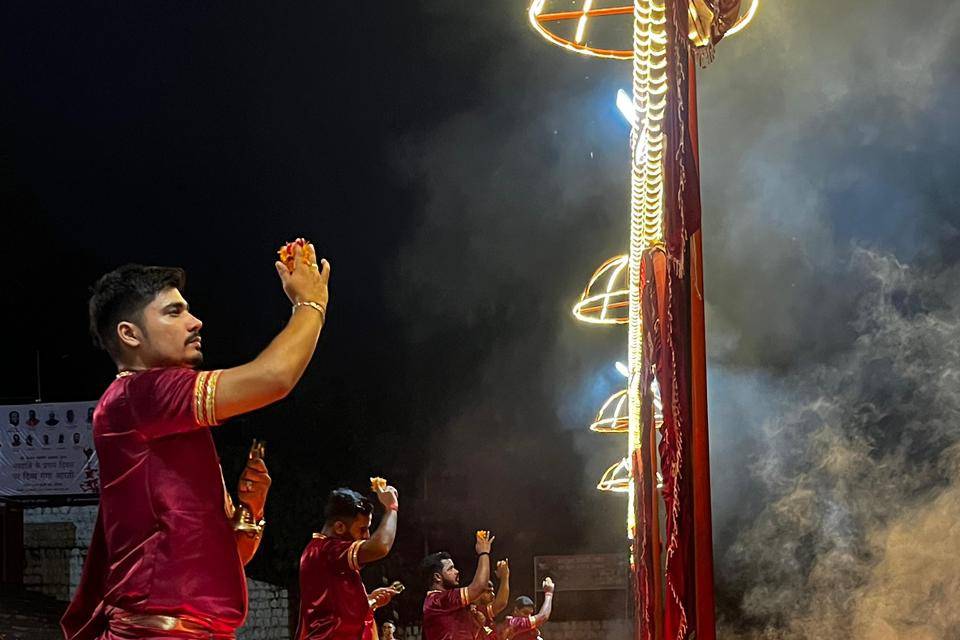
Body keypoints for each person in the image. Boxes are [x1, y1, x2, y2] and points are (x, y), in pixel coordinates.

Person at [62, 241, 330, 640]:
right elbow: (274, 377)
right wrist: (310, 305)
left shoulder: (166, 420)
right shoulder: (140, 395)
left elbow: (230, 559)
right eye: (174, 311)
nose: (196, 321)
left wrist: (251, 511)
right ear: (129, 334)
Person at [296, 485, 400, 640]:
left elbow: (331, 607)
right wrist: (391, 508)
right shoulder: (327, 550)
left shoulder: (321, 551)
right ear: (339, 527)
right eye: (362, 529)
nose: (367, 536)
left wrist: (368, 601)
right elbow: (380, 547)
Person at [421, 532, 496, 640]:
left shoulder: (449, 604)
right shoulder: (437, 601)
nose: (457, 571)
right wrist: (484, 553)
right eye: (450, 569)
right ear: (437, 577)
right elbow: (479, 587)